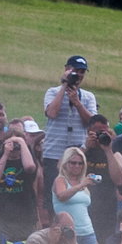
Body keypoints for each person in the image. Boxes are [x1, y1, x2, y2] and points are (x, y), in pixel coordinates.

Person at [41, 56, 98, 201]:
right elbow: (52, 113)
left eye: (82, 72)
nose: (78, 75)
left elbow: (92, 123)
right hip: (54, 153)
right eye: (75, 71)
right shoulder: (52, 92)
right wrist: (64, 86)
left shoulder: (88, 97)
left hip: (78, 154)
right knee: (52, 195)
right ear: (67, 69)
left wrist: (77, 103)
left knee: (76, 194)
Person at [53, 145, 99, 244]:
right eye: (73, 163)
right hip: (68, 233)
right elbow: (62, 196)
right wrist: (81, 185)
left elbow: (84, 208)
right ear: (65, 163)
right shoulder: (60, 180)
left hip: (88, 232)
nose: (77, 166)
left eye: (80, 163)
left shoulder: (82, 182)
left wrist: (83, 183)